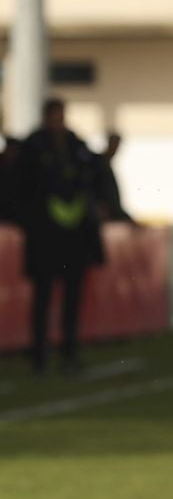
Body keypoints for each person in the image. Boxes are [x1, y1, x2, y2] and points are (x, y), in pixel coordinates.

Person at [15, 98, 108, 374]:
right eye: (54, 117)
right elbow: (20, 188)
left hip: (73, 238)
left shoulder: (76, 146)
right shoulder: (33, 147)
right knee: (43, 297)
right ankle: (40, 356)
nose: (58, 123)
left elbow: (96, 175)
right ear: (46, 118)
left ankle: (69, 352)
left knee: (72, 298)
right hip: (44, 237)